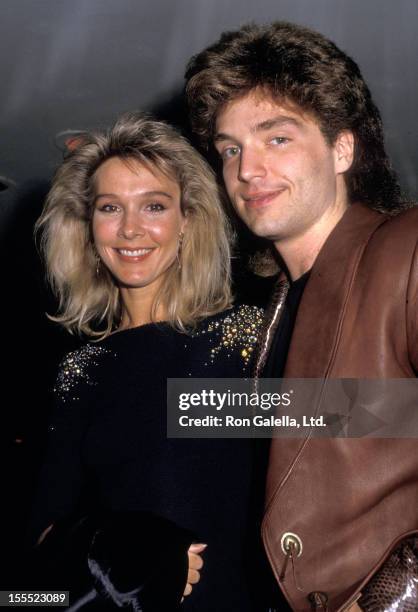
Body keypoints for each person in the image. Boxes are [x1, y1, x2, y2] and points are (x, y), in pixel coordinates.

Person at [185, 21, 418, 612]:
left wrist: (393, 597)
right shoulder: (274, 312)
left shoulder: (407, 250)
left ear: (343, 148)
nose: (246, 170)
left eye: (277, 138)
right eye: (230, 148)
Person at [31, 112, 266, 611]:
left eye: (154, 206)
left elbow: (377, 424)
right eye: (110, 207)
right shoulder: (79, 373)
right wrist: (121, 553)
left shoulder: (240, 340)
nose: (131, 229)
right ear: (88, 228)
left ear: (187, 221)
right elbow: (35, 577)